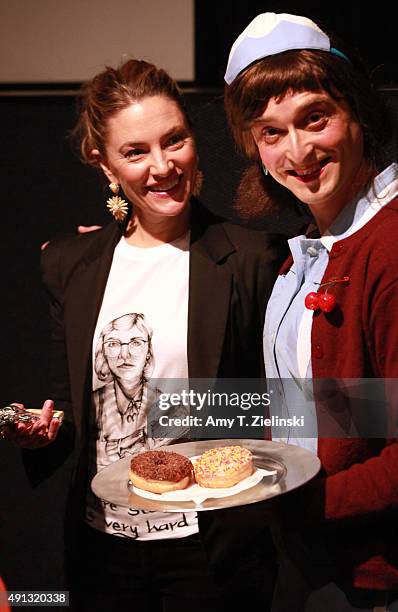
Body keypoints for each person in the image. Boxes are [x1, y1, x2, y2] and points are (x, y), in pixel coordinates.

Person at [3, 59, 285, 611]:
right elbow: (72, 405)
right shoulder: (67, 264)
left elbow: (286, 408)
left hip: (211, 555)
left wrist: (172, 411)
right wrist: (43, 430)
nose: (163, 166)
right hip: (100, 552)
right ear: (101, 161)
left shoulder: (253, 259)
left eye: (174, 140)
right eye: (135, 152)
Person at [223, 11, 398, 612]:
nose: (297, 151)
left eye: (314, 118)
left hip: (374, 576)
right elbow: (354, 408)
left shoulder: (388, 247)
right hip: (314, 561)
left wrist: (295, 501)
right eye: (270, 133)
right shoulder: (311, 248)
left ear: (357, 112)